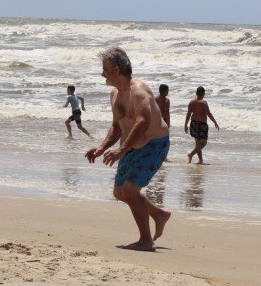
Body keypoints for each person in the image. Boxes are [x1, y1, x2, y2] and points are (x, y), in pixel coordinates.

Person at [85, 48, 171, 251]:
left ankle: (145, 240)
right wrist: (102, 148)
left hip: (153, 144)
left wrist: (121, 150)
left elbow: (143, 122)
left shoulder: (138, 91)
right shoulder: (115, 93)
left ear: (116, 69)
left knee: (131, 190)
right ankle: (159, 214)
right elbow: (117, 126)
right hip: (130, 146)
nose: (102, 73)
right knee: (120, 192)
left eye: (105, 69)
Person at [184, 86, 219, 164]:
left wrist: (185, 125)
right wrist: (215, 122)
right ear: (204, 94)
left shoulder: (191, 102)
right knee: (203, 143)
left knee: (198, 143)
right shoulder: (204, 102)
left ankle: (200, 160)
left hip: (193, 123)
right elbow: (208, 114)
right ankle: (191, 154)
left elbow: (188, 114)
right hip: (202, 124)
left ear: (196, 93)